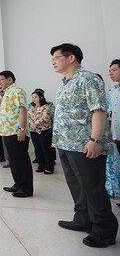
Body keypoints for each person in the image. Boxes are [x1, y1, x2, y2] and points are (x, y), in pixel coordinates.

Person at [51, 43, 118, 248]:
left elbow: (99, 110)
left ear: (71, 58)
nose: (53, 61)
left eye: (56, 57)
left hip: (85, 144)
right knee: (76, 184)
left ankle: (104, 230)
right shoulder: (64, 83)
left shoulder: (88, 79)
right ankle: (83, 218)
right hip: (65, 142)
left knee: (93, 187)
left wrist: (95, 140)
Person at [0, 70, 33, 198]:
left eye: (1, 80)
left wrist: (22, 129)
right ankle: (18, 184)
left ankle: (26, 188)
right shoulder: (7, 93)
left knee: (21, 160)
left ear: (10, 79)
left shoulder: (17, 91)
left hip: (16, 131)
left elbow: (22, 110)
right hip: (7, 132)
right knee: (13, 160)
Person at [28, 90, 54, 174]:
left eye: (35, 97)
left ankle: (49, 167)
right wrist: (32, 123)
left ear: (41, 97)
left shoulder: (46, 107)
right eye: (32, 97)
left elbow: (46, 117)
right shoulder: (32, 108)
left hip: (44, 131)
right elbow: (28, 117)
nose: (33, 99)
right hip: (33, 131)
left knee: (46, 149)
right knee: (38, 149)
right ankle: (41, 166)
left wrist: (35, 123)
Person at [107, 59, 120, 206]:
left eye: (114, 70)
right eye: (110, 70)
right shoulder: (113, 92)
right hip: (117, 135)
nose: (111, 73)